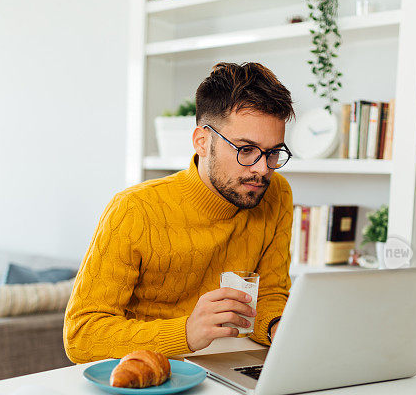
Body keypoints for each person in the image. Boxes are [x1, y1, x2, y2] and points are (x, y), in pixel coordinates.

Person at [64, 61, 295, 364]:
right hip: (145, 381)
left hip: (225, 369)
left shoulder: (276, 194)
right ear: (202, 141)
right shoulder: (134, 210)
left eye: (273, 152)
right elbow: (81, 335)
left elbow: (269, 294)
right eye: (246, 150)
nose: (263, 169)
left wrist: (279, 328)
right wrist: (186, 332)